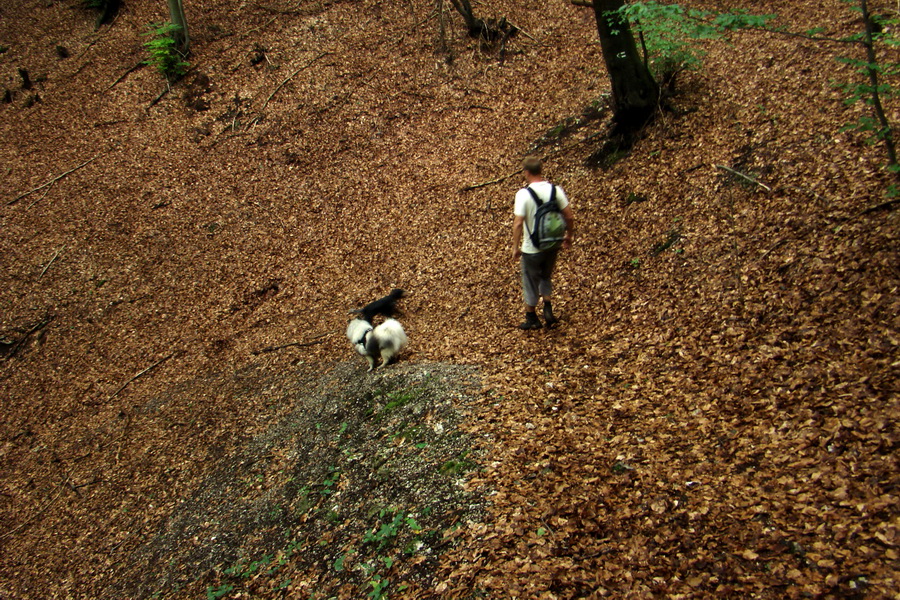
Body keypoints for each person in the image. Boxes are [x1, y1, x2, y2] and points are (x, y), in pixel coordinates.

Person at [511, 156, 575, 330]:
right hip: (553, 243)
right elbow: (568, 216)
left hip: (532, 248)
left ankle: (532, 318)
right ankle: (547, 303)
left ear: (526, 172)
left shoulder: (523, 194)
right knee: (546, 275)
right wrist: (568, 236)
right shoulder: (556, 190)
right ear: (540, 170)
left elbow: (518, 223)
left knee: (530, 280)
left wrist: (516, 247)